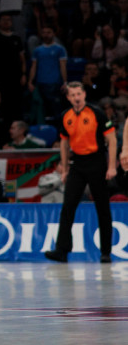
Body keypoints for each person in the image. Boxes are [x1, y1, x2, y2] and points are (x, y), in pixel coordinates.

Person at [45, 83, 119, 263]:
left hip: (97, 162)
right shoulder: (66, 116)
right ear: (68, 98)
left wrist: (111, 166)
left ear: (84, 95)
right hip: (77, 164)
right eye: (73, 95)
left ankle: (106, 252)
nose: (76, 98)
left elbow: (112, 139)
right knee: (68, 206)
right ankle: (62, 250)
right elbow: (64, 143)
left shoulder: (97, 113)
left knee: (102, 207)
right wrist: (65, 169)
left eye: (79, 94)